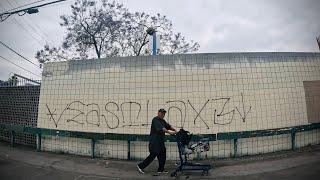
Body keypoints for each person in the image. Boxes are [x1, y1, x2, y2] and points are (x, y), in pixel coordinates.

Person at [137, 108, 178, 174]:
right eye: (161, 113)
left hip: (160, 142)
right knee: (153, 154)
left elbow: (168, 126)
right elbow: (162, 128)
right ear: (158, 113)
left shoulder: (163, 121)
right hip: (154, 142)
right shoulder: (155, 120)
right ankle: (140, 166)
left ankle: (160, 170)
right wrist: (170, 133)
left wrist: (175, 130)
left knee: (163, 154)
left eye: (164, 113)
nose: (162, 114)